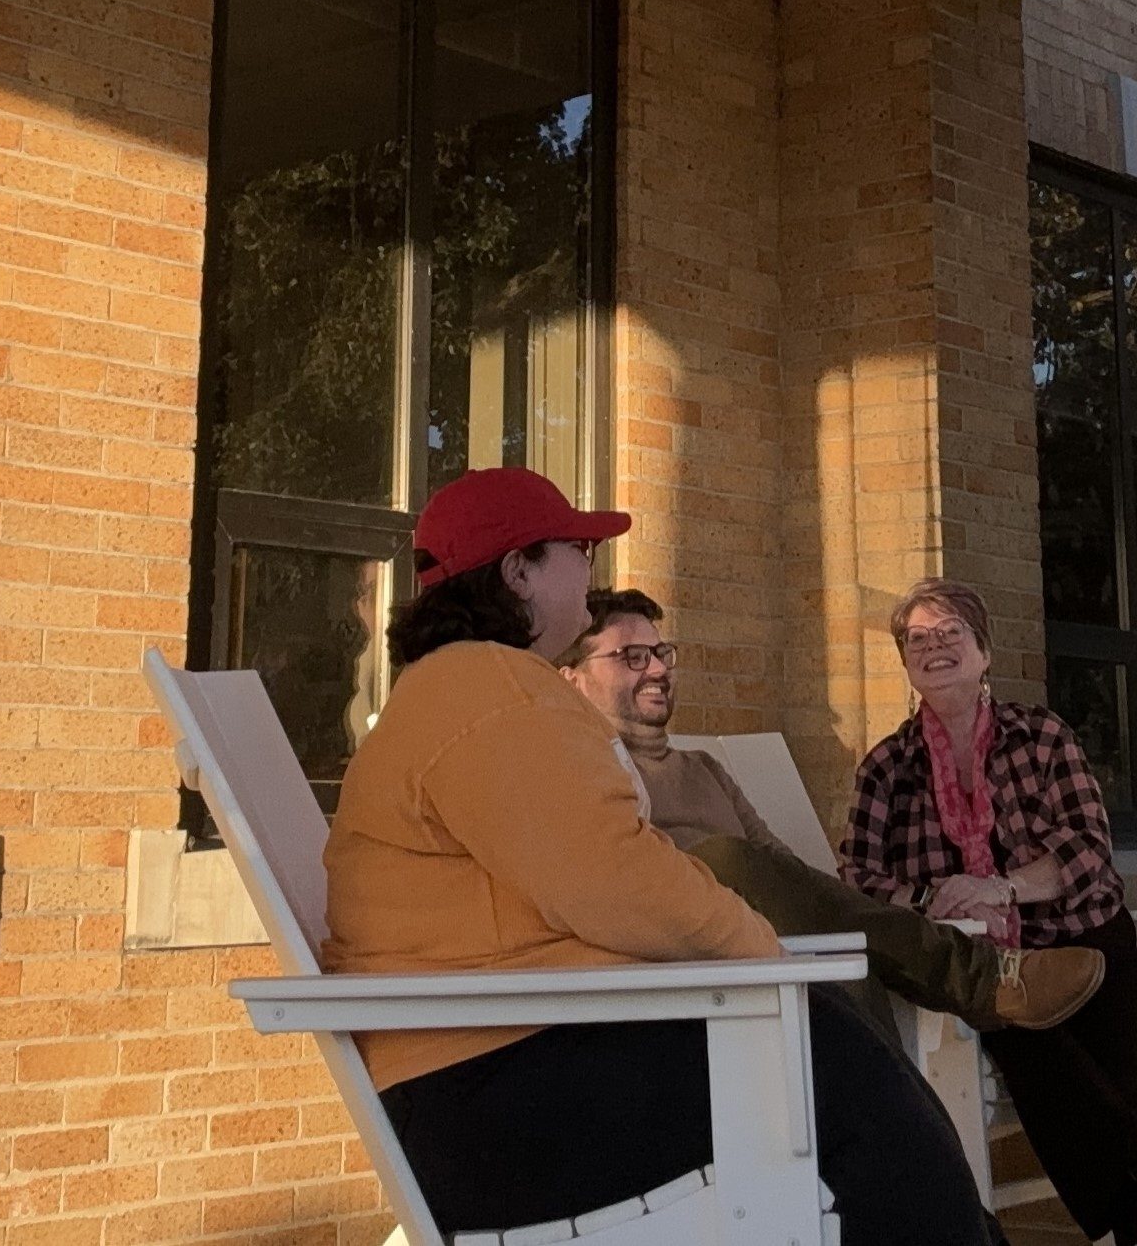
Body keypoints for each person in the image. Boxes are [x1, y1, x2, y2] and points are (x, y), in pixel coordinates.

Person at [318, 468, 1002, 1244]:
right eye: (578, 548)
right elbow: (616, 881)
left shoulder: (466, 689)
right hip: (492, 1103)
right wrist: (765, 954)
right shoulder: (491, 697)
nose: (593, 569)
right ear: (518, 572)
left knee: (836, 1059)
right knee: (838, 1069)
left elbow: (585, 878)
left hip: (501, 1069)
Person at [842, 579, 1137, 1245]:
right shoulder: (887, 768)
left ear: (984, 651)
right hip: (984, 960)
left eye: (951, 632)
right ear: (905, 662)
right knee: (1031, 1039)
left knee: (1126, 1064)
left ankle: (1133, 1221)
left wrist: (1002, 887)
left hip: (1085, 936)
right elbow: (858, 877)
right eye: (918, 640)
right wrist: (935, 897)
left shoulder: (1041, 736)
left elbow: (1087, 846)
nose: (935, 647)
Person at [556, 587, 1107, 1033]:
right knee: (726, 859)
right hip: (687, 971)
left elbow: (787, 871)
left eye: (660, 653)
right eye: (631, 657)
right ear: (572, 678)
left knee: (847, 950)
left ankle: (902, 1119)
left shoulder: (706, 769)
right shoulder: (578, 770)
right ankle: (984, 979)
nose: (655, 669)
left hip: (770, 951)